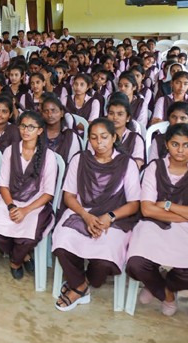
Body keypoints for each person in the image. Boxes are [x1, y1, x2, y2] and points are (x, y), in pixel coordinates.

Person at [125, 123, 188, 316]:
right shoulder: (154, 168)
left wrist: (167, 205)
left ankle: (157, 284)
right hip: (156, 225)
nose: (181, 150)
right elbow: (148, 209)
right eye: (175, 144)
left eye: (186, 145)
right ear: (166, 145)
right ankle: (167, 294)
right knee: (136, 263)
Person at [51, 118, 141, 311]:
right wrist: (86, 216)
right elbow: (68, 196)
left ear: (114, 137)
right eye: (93, 138)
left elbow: (134, 204)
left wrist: (109, 217)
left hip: (115, 216)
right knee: (62, 241)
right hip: (83, 211)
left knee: (105, 255)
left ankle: (82, 281)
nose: (99, 142)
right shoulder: (80, 159)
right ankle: (81, 286)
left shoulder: (127, 163)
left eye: (104, 137)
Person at [0, 111, 57, 279]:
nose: (26, 130)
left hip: (35, 203)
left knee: (27, 238)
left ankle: (15, 261)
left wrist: (25, 210)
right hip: (9, 198)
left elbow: (48, 193)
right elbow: (3, 184)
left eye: (31, 127)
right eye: (23, 126)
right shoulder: (10, 150)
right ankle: (21, 255)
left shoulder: (49, 156)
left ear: (40, 131)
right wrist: (11, 206)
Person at [102, 93, 146, 169]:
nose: (115, 117)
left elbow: (136, 167)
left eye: (120, 114)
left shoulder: (136, 139)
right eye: (111, 113)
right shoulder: (99, 135)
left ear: (128, 118)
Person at [40, 94, 82, 163]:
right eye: (46, 111)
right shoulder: (38, 133)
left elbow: (74, 163)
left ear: (61, 113)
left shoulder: (70, 136)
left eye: (53, 110)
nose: (50, 115)